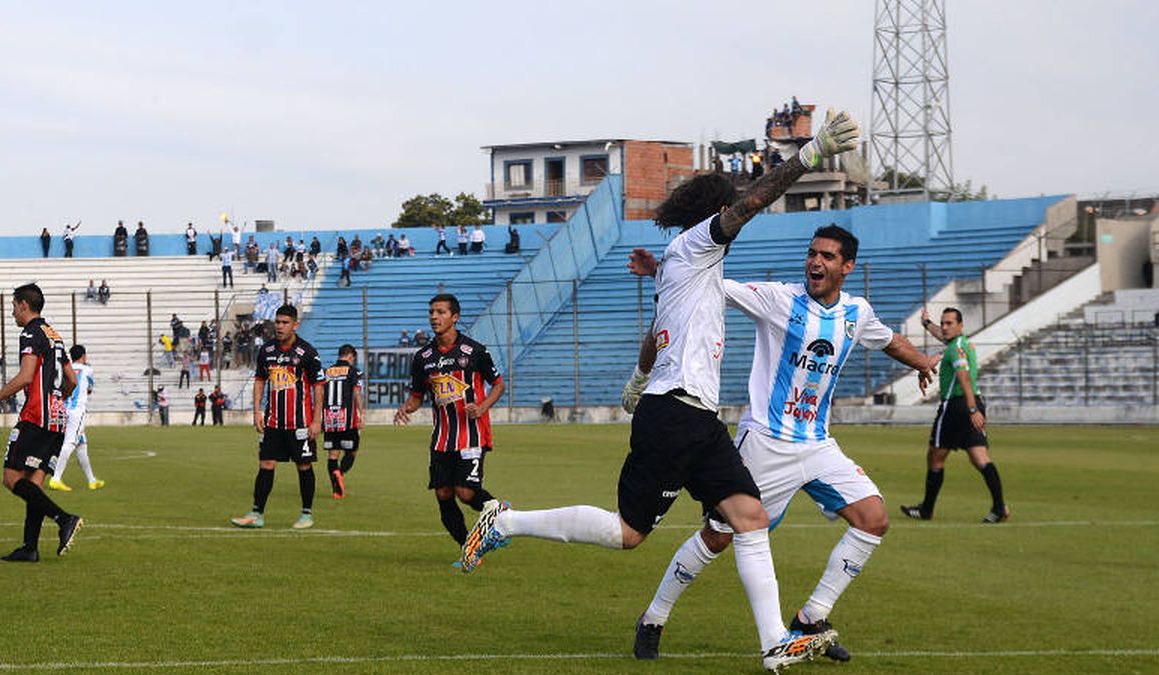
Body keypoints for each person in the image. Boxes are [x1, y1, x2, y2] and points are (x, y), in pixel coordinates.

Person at [457, 110, 861, 671]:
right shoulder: (699, 245)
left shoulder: (684, 263)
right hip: (678, 415)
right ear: (712, 215)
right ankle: (504, 522)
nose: (734, 220)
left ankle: (775, 645)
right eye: (726, 212)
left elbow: (657, 333)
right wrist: (808, 154)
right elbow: (749, 203)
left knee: (748, 516)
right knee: (628, 533)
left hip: (687, 414)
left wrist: (639, 376)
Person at [625, 225, 939, 663]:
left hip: (817, 444)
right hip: (765, 443)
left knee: (873, 519)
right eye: (812, 253)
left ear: (847, 267)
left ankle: (811, 617)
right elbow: (713, 284)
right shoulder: (778, 298)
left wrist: (923, 360)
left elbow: (888, 340)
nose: (816, 262)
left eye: (828, 256)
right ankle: (654, 617)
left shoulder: (857, 312)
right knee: (718, 537)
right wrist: (659, 268)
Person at [394, 294, 506, 549]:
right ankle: (468, 546)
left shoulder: (475, 351)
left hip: (472, 434)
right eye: (432, 311)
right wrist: (405, 409)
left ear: (455, 317)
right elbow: (417, 396)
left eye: (441, 312)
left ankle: (499, 511)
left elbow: (499, 385)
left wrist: (482, 407)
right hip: (442, 437)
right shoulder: (423, 357)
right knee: (443, 493)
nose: (434, 316)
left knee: (465, 493)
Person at [0, 284, 82, 562]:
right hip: (57, 418)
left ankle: (64, 519)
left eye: (14, 306)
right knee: (33, 483)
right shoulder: (54, 334)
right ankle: (30, 548)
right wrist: (56, 400)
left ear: (24, 305)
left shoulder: (30, 332)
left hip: (35, 415)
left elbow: (27, 376)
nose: (13, 311)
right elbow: (72, 380)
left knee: (11, 478)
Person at [901, 307, 1009, 523]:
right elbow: (941, 335)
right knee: (979, 457)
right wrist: (926, 324)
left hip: (956, 407)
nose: (945, 327)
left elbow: (964, 378)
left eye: (950, 323)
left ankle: (926, 509)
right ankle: (999, 508)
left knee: (935, 455)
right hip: (972, 401)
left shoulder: (954, 349)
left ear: (960, 325)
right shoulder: (961, 343)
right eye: (943, 323)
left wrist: (971, 410)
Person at [231, 304, 325, 530]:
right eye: (278, 322)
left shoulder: (307, 352)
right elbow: (260, 381)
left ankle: (306, 514)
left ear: (296, 324)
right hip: (273, 422)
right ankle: (256, 514)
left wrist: (317, 420)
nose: (280, 327)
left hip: (300, 424)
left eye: (285, 323)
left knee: (303, 465)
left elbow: (318, 386)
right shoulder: (267, 350)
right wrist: (256, 411)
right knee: (266, 463)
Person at [48, 344, 104, 492]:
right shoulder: (88, 370)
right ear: (83, 356)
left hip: (64, 408)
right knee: (70, 443)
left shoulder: (66, 368)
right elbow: (89, 389)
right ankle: (56, 478)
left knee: (81, 445)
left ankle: (92, 480)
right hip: (77, 411)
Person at [323, 345, 365, 499]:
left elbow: (320, 392)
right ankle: (339, 473)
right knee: (352, 451)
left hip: (329, 417)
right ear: (350, 356)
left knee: (333, 454)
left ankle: (336, 489)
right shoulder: (353, 372)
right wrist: (361, 412)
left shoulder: (327, 372)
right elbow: (357, 392)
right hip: (347, 418)